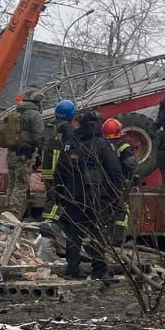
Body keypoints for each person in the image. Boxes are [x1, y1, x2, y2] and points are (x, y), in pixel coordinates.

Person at [55, 110, 123, 279]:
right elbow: (115, 172)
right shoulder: (102, 144)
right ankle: (99, 271)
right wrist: (115, 197)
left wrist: (61, 195)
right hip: (97, 197)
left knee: (74, 233)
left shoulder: (70, 144)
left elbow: (59, 173)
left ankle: (72, 270)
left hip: (74, 198)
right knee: (98, 233)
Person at [4, 89, 46, 218]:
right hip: (24, 156)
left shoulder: (16, 112)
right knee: (21, 185)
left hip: (11, 154)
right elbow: (40, 137)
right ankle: (13, 215)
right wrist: (43, 152)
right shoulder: (34, 115)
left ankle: (6, 212)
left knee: (11, 185)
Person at [40, 99, 78, 222]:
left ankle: (50, 221)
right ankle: (50, 223)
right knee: (57, 198)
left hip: (46, 167)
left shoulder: (50, 126)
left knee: (51, 196)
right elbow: (71, 149)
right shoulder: (67, 129)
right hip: (58, 169)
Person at [102, 118, 137, 243]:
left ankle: (105, 239)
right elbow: (131, 165)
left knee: (106, 211)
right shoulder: (123, 147)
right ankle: (117, 240)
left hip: (104, 184)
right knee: (121, 212)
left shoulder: (102, 145)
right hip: (121, 183)